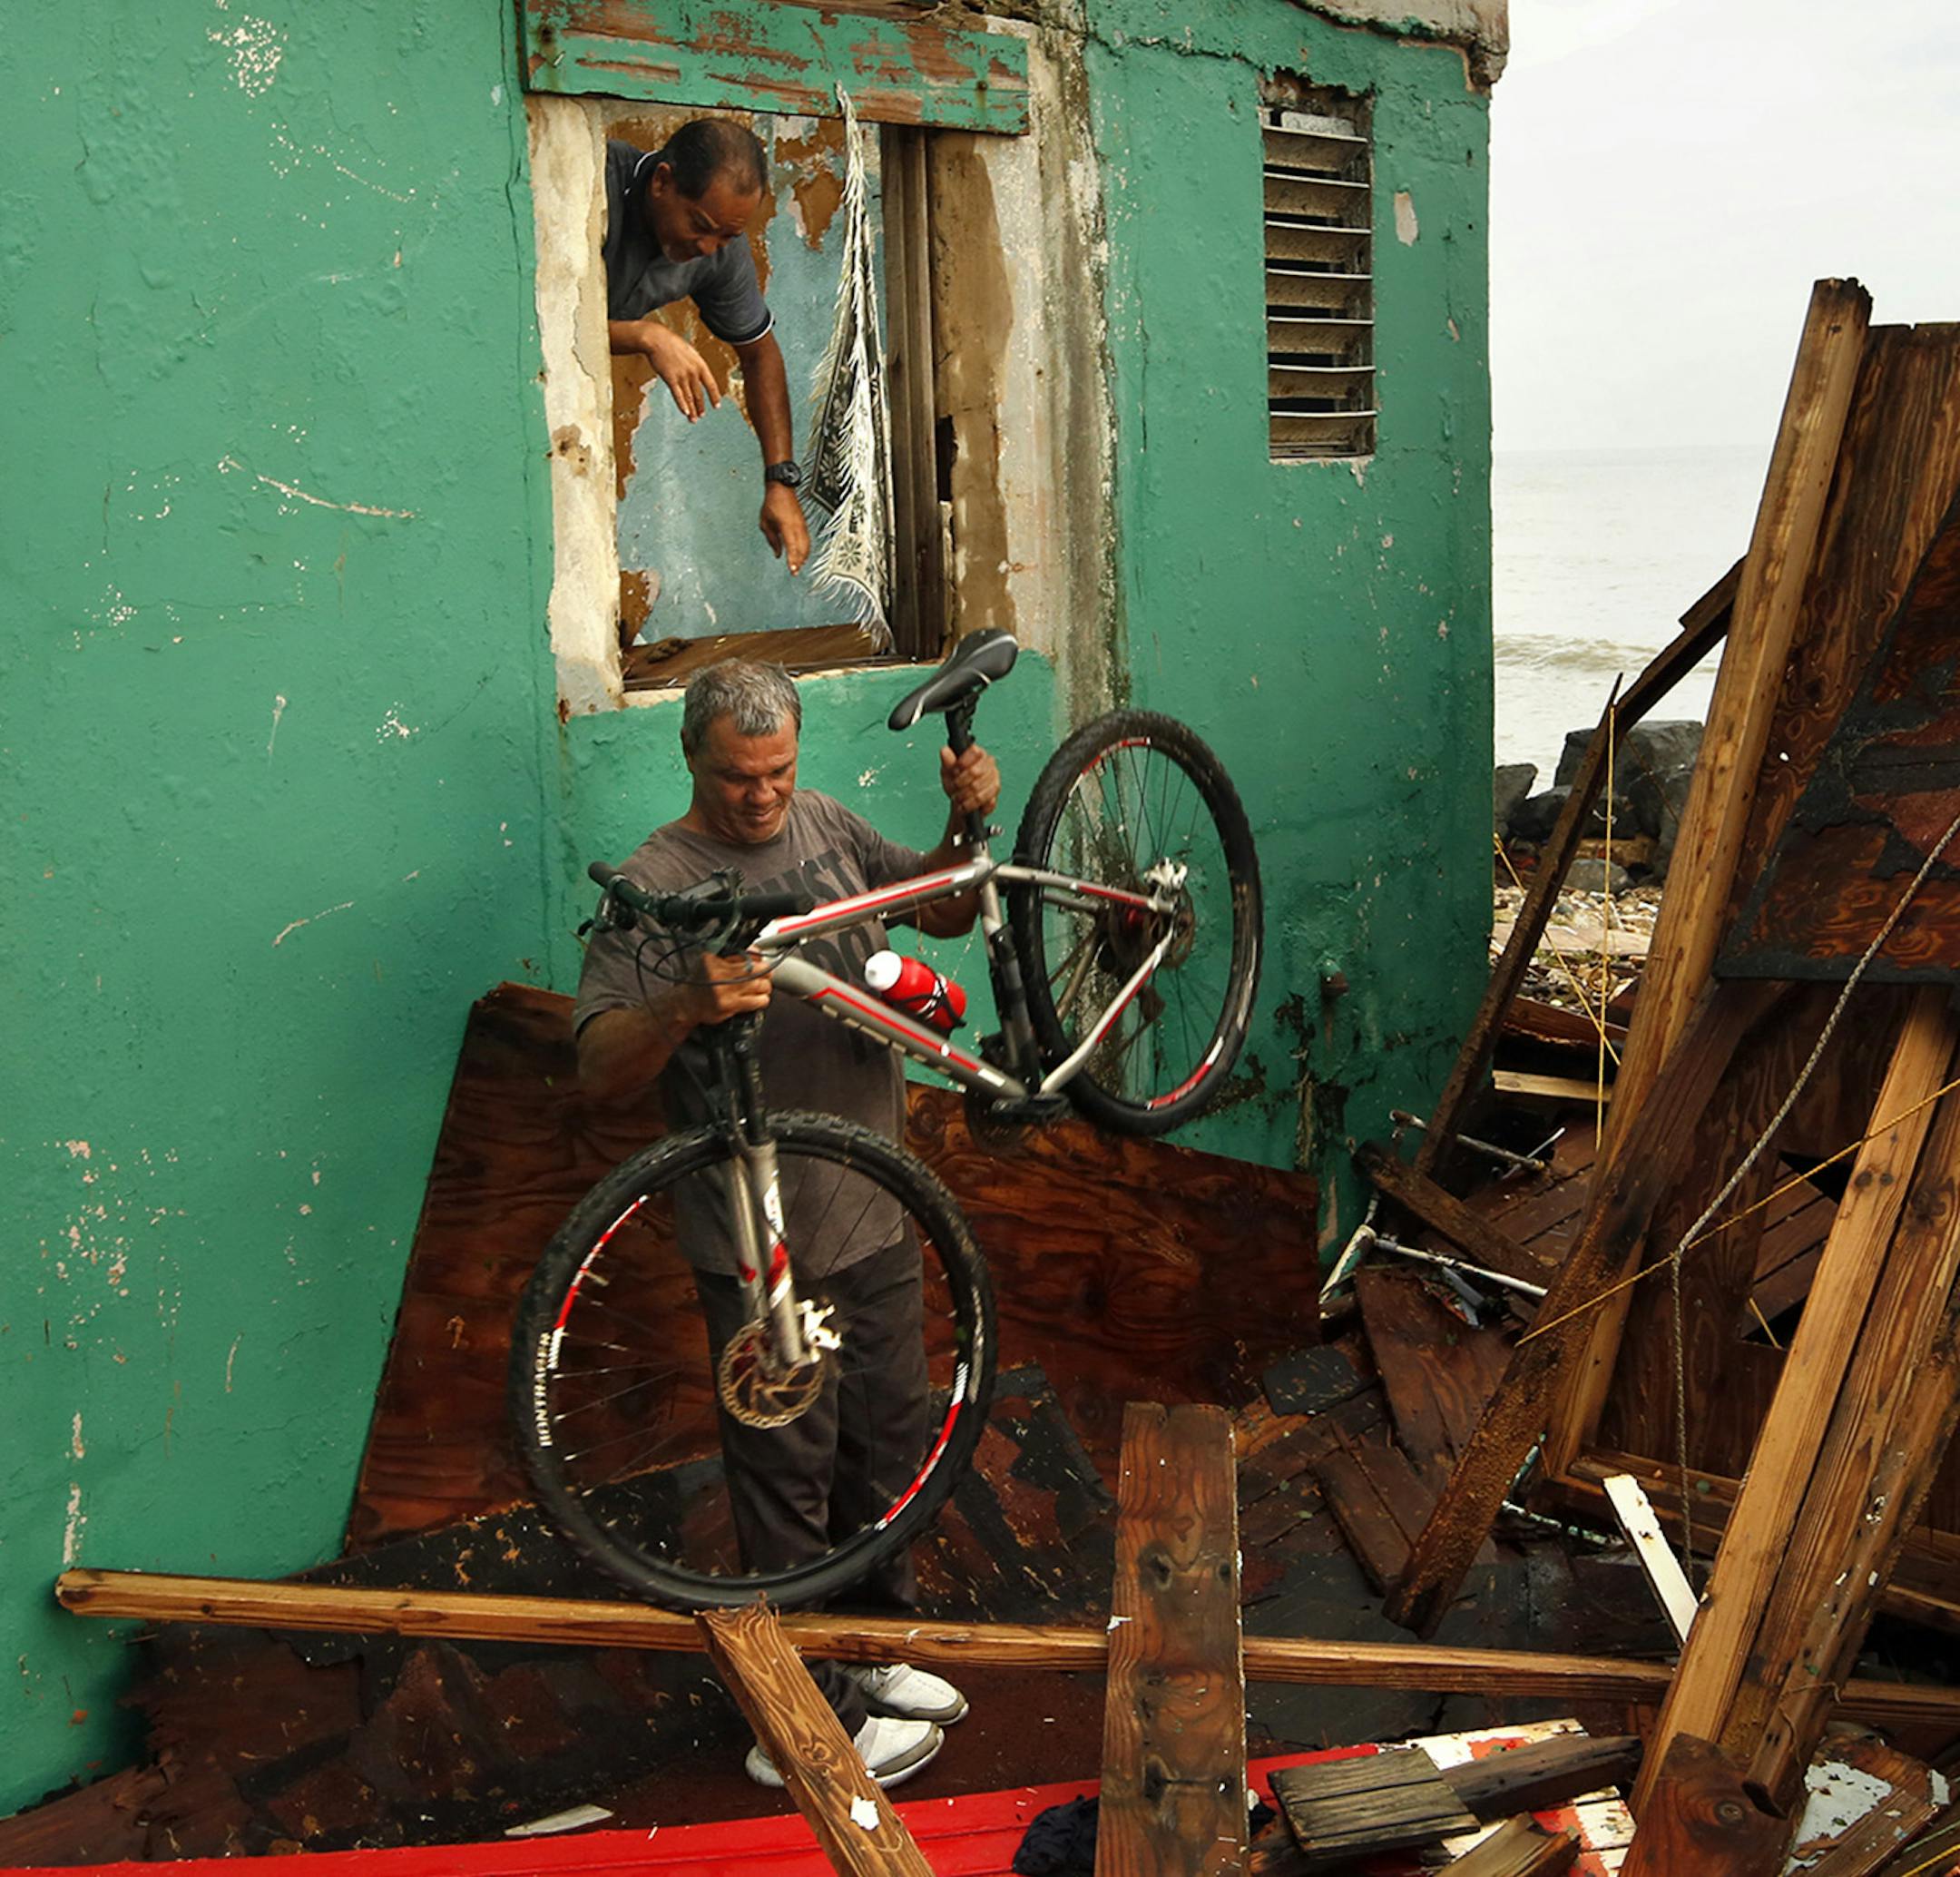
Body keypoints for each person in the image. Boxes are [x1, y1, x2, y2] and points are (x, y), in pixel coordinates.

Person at [573, 659, 1001, 1789]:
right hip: (757, 1254)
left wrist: (968, 820)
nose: (761, 798)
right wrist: (679, 1003)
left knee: (889, 1451)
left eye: (777, 772)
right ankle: (797, 1721)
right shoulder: (656, 886)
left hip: (873, 1210)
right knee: (784, 1481)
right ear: (690, 760)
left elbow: (944, 905)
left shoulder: (824, 822)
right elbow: (595, 1068)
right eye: (735, 778)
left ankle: (870, 1648)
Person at [602, 119, 810, 579]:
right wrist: (645, 335)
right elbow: (536, 317)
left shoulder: (718, 247)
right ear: (662, 182)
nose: (708, 248)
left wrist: (780, 481)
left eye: (728, 238)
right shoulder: (591, 182)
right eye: (701, 226)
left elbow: (761, 355)